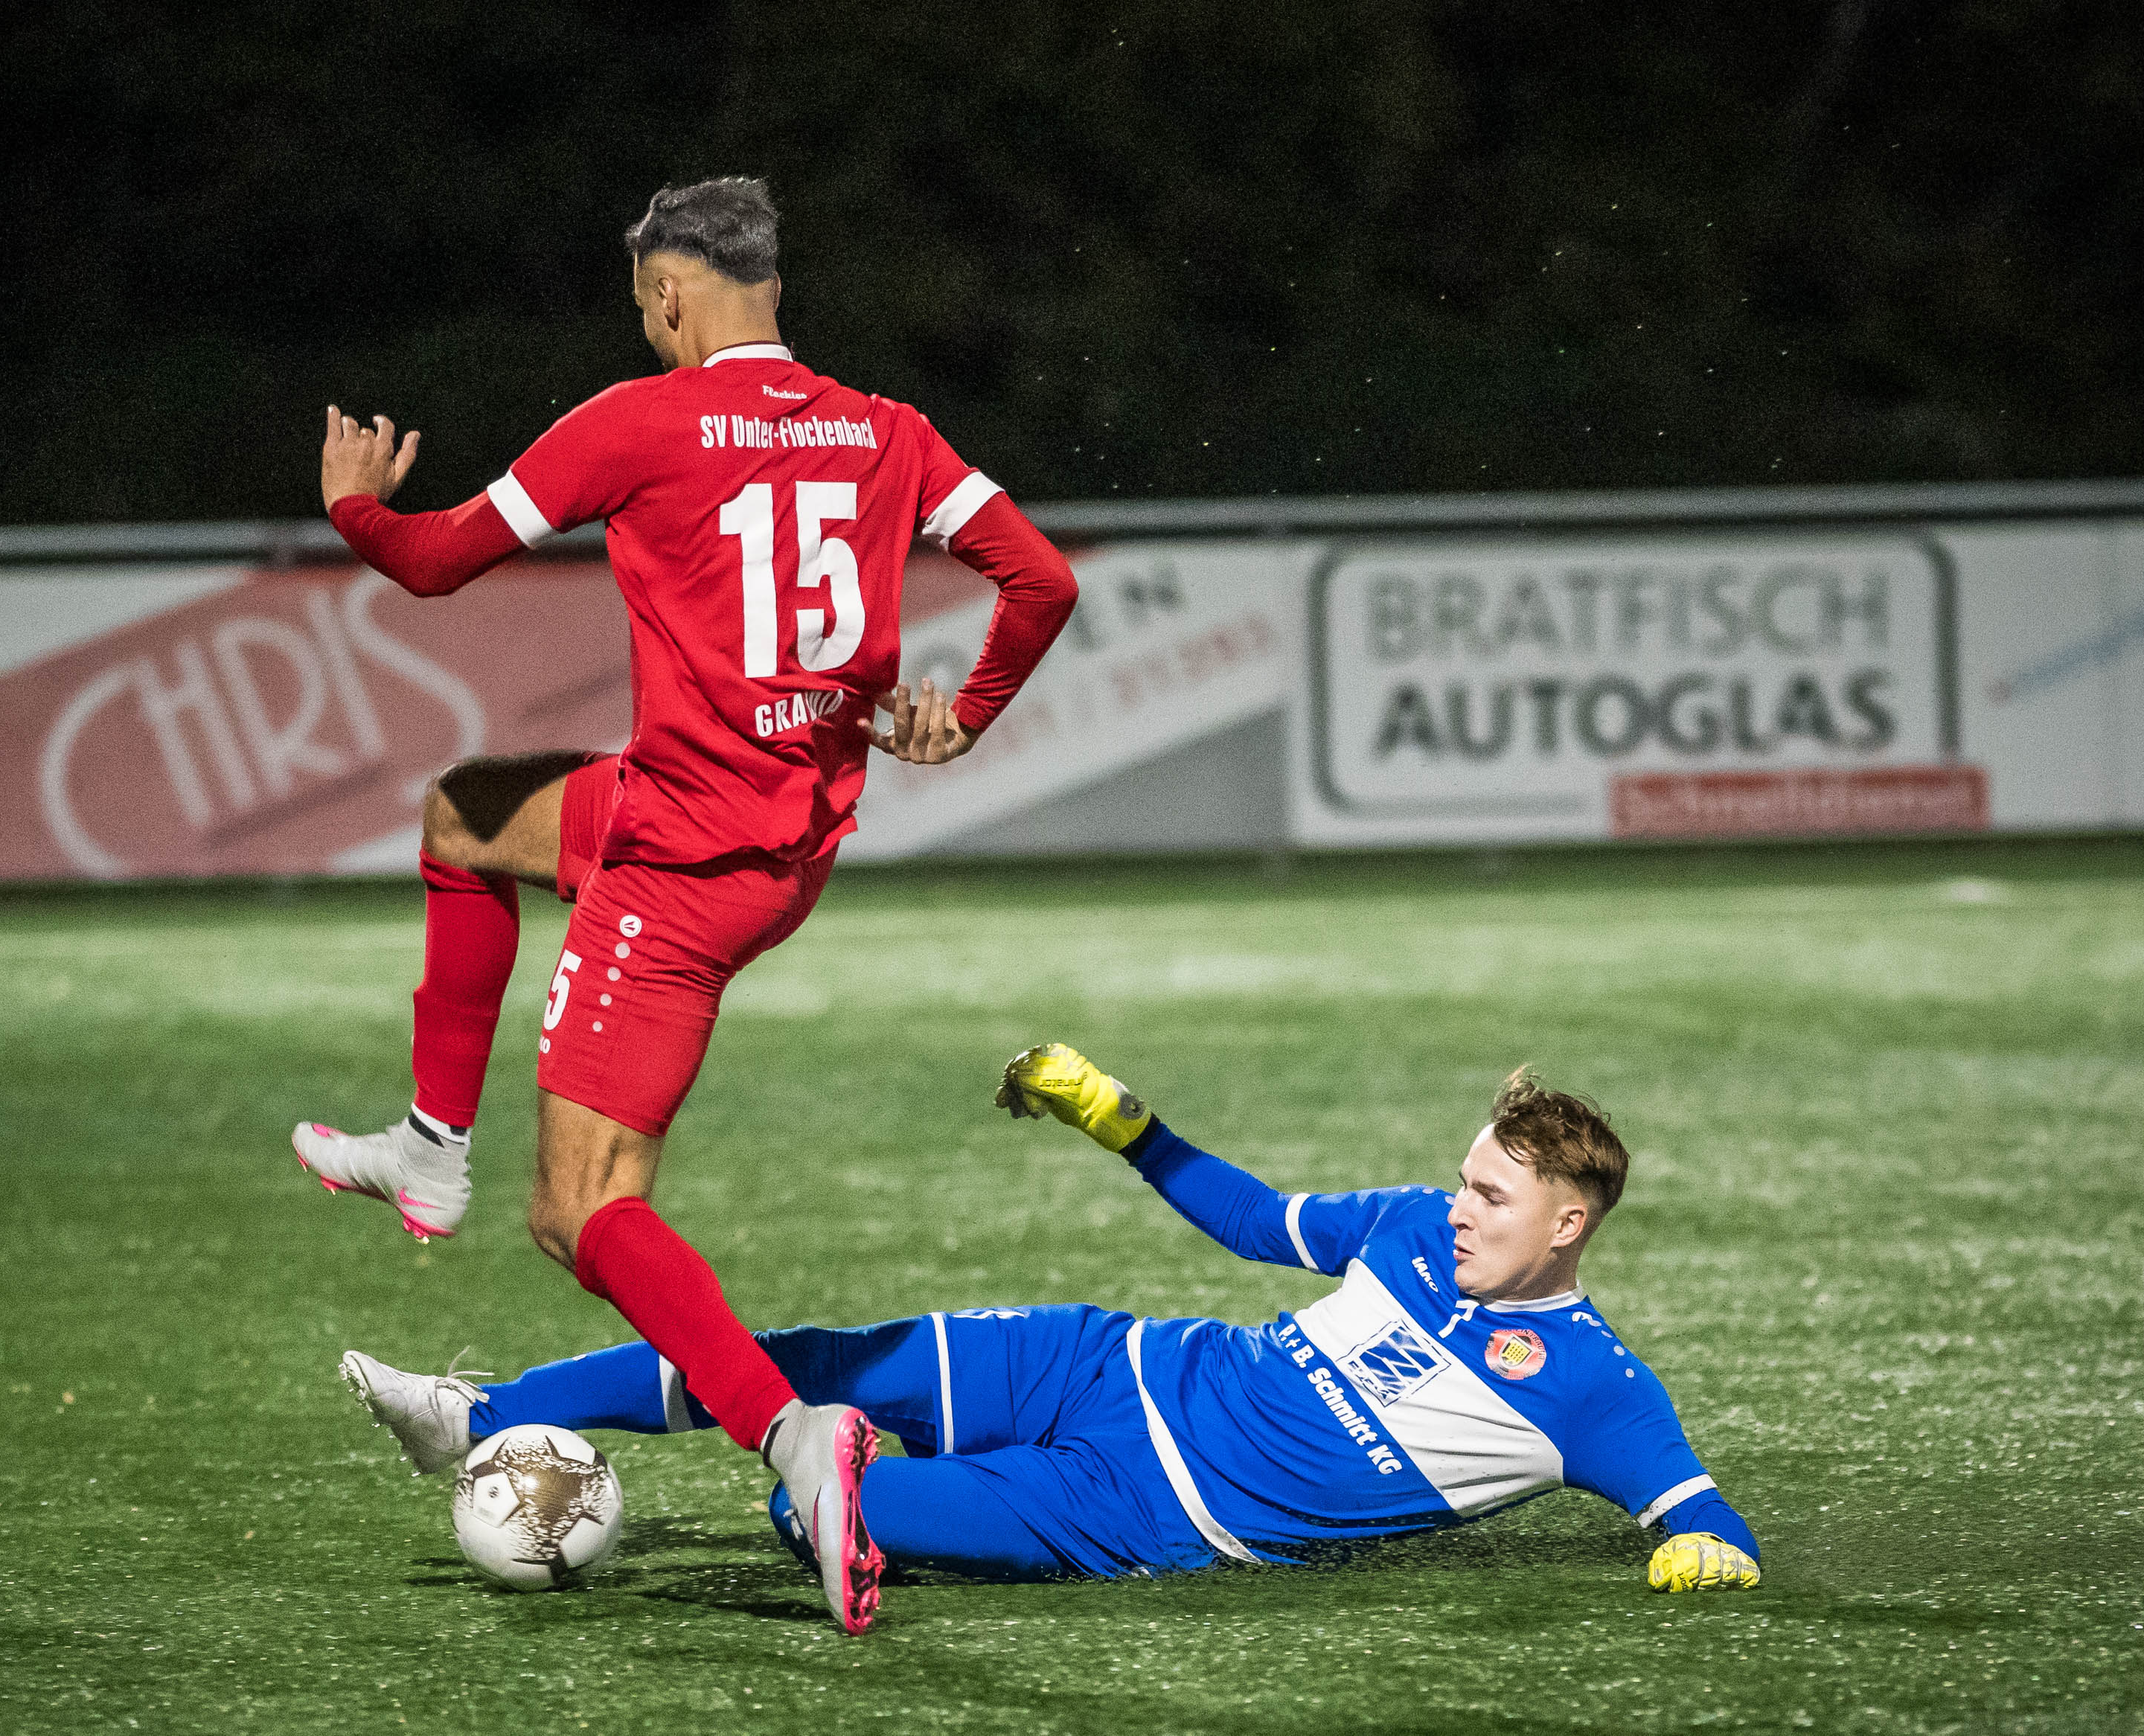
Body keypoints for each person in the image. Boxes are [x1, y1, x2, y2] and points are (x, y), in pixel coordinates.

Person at [295, 177, 1079, 1634]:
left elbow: (436, 558)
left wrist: (351, 501)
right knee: (464, 819)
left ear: (668, 294)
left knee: (584, 1212)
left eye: (641, 306)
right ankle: (425, 1147)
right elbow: (1036, 578)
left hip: (678, 874)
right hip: (776, 847)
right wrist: (959, 716)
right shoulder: (887, 431)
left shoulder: (636, 424)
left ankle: (797, 1441)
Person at [339, 1044, 1763, 1594]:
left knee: (819, 1514)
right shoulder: (1407, 1224)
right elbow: (1259, 1222)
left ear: (1567, 1224)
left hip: (1139, 1504)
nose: (1458, 1208)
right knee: (817, 1363)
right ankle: (475, 1412)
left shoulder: (1592, 1386)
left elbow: (1704, 1514)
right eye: (1464, 1178)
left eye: (1492, 1197)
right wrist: (1124, 1122)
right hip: (1114, 1356)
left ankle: (834, 1481)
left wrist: (1705, 1547)